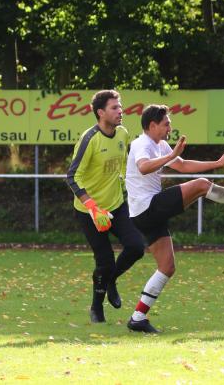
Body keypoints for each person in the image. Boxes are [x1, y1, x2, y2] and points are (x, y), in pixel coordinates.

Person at [125, 104, 224, 333]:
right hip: (146, 208)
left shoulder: (161, 145)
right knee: (201, 185)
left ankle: (137, 317)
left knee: (167, 267)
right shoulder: (141, 144)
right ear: (152, 125)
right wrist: (172, 155)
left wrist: (216, 163)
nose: (170, 128)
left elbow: (183, 165)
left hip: (145, 214)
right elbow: (144, 167)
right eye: (167, 124)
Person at [66, 90, 146, 323]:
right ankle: (96, 308)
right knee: (105, 261)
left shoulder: (122, 133)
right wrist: (92, 206)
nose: (120, 111)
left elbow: (123, 170)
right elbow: (72, 176)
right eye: (114, 107)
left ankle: (111, 279)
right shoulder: (89, 139)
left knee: (136, 247)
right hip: (89, 212)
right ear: (101, 113)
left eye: (120, 106)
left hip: (117, 205)